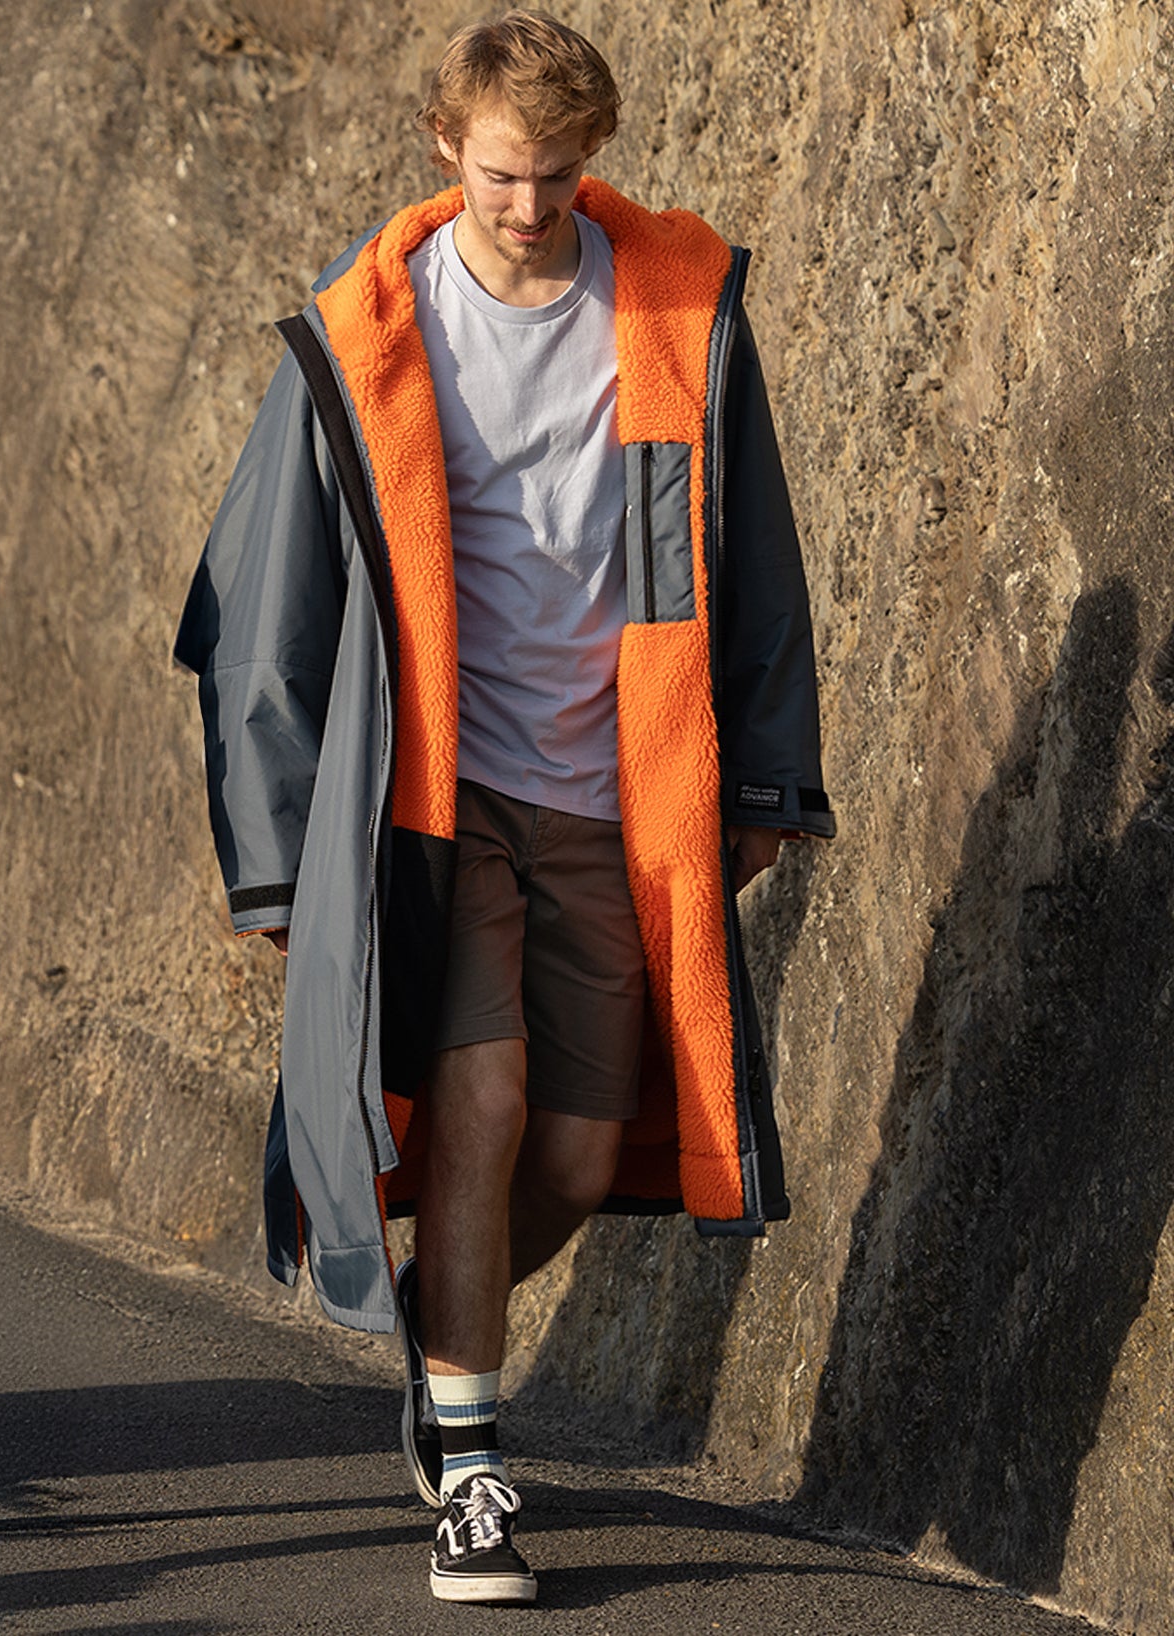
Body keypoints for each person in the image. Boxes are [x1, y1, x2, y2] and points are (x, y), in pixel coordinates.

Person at [175, 9, 834, 1606]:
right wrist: (277, 862)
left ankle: (437, 1338)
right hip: (438, 796)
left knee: (583, 1151)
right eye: (497, 175)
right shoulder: (368, 331)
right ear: (442, 149)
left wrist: (761, 779)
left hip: (613, 794)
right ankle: (472, 1472)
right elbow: (260, 614)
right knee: (479, 1099)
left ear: (591, 156)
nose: (526, 207)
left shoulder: (674, 306)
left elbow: (752, 557)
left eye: (551, 175)